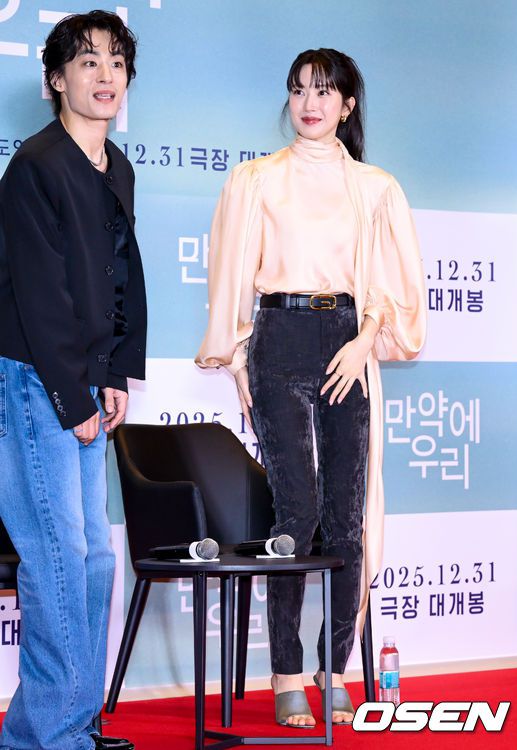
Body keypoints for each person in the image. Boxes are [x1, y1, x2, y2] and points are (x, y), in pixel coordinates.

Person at [196, 48, 426, 727]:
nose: (309, 103)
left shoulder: (375, 188)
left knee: (347, 520)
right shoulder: (257, 180)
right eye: (298, 90)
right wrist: (240, 361)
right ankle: (287, 675)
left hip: (347, 345)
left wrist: (365, 336)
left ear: (348, 104)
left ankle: (336, 669)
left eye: (324, 91)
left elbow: (390, 286)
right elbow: (231, 275)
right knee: (295, 516)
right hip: (278, 341)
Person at [0, 10, 147, 750]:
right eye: (88, 62)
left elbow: (120, 278)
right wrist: (70, 393)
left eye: (116, 62)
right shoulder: (36, 166)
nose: (105, 75)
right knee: (58, 555)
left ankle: (68, 723)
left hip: (85, 382)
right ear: (57, 79)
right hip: (36, 380)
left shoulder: (114, 166)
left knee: (93, 558)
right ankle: (50, 737)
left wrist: (116, 371)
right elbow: (37, 292)